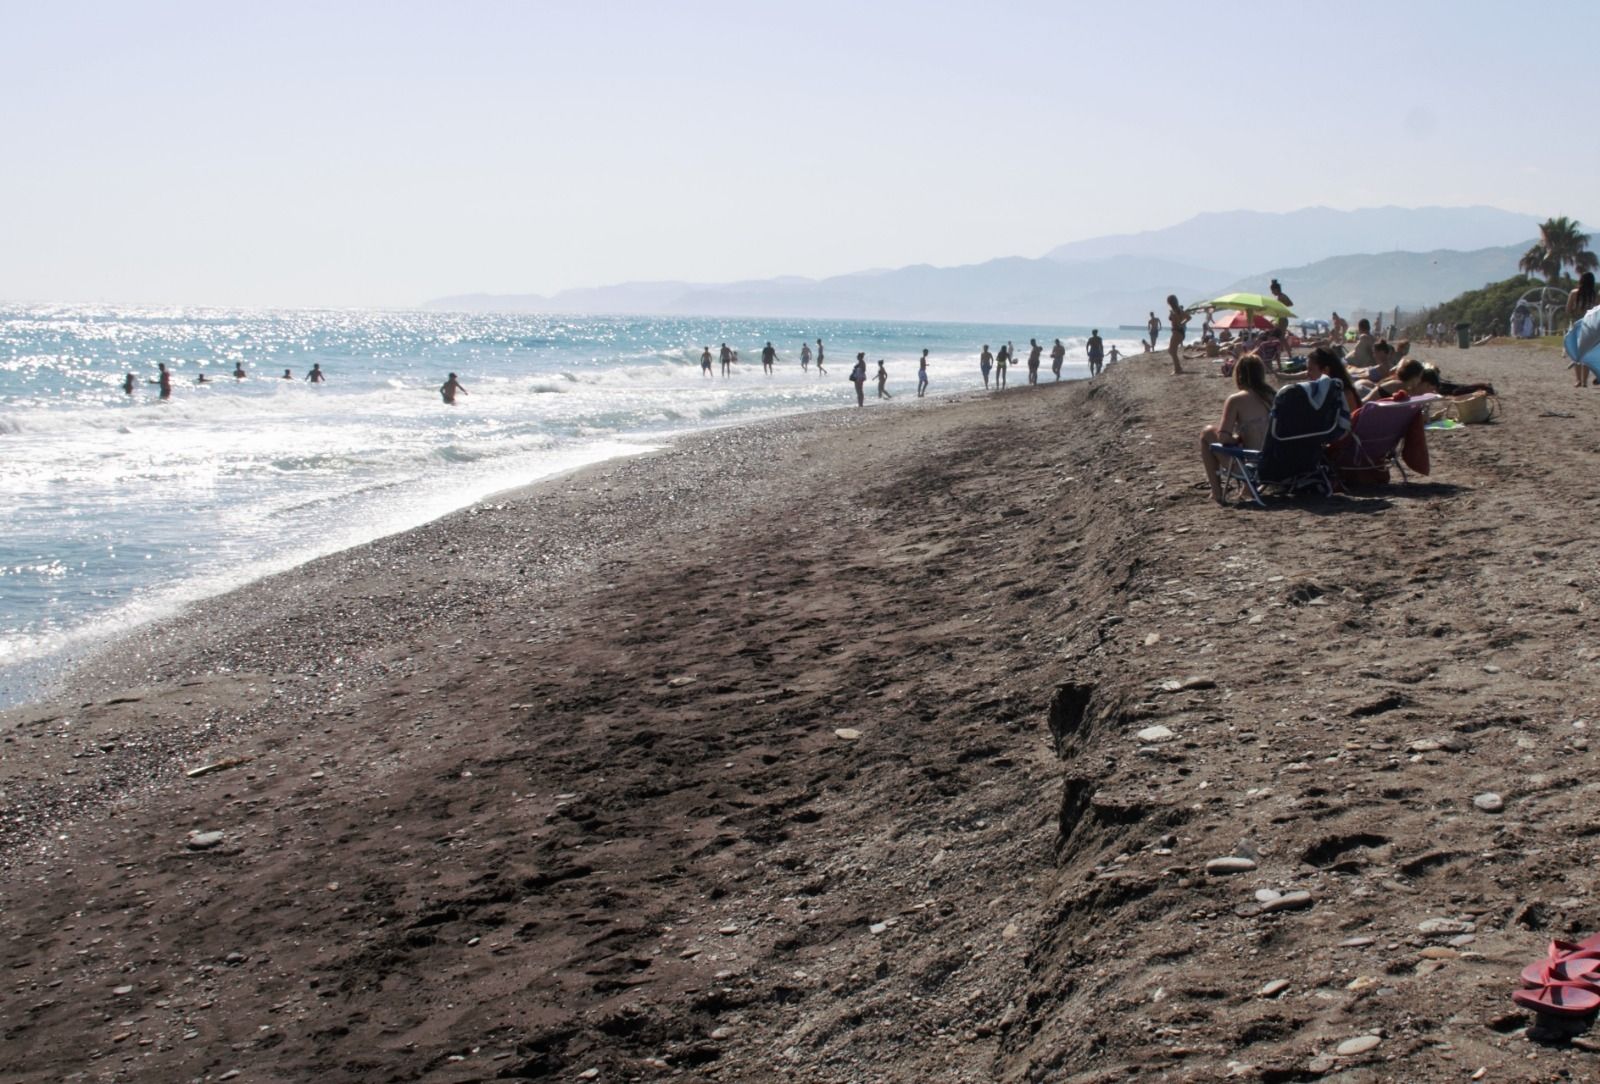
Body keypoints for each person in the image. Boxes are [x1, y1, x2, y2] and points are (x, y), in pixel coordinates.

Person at [1200, 354, 1275, 504]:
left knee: (1207, 433)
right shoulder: (1275, 395)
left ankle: (1216, 493)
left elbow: (1223, 438)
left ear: (1239, 375)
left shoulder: (1236, 400)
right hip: (1279, 464)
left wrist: (1236, 438)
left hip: (1255, 468)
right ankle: (1247, 489)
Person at [1306, 345, 1361, 414]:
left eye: (1310, 369)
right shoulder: (1317, 392)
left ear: (1326, 370)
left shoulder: (1345, 396)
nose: (1307, 374)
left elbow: (1352, 419)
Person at [1568, 272, 1598, 387]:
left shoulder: (1574, 293)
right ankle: (1585, 381)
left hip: (1576, 324)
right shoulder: (1595, 295)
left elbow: (1568, 309)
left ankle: (1578, 380)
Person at [1166, 295, 1189, 375]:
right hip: (1178, 332)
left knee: (1172, 351)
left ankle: (1178, 369)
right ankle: (1178, 368)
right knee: (1171, 351)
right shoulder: (1177, 310)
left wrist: (1181, 324)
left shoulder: (1176, 311)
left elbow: (1188, 317)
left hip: (1177, 332)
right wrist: (1182, 323)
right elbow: (1188, 317)